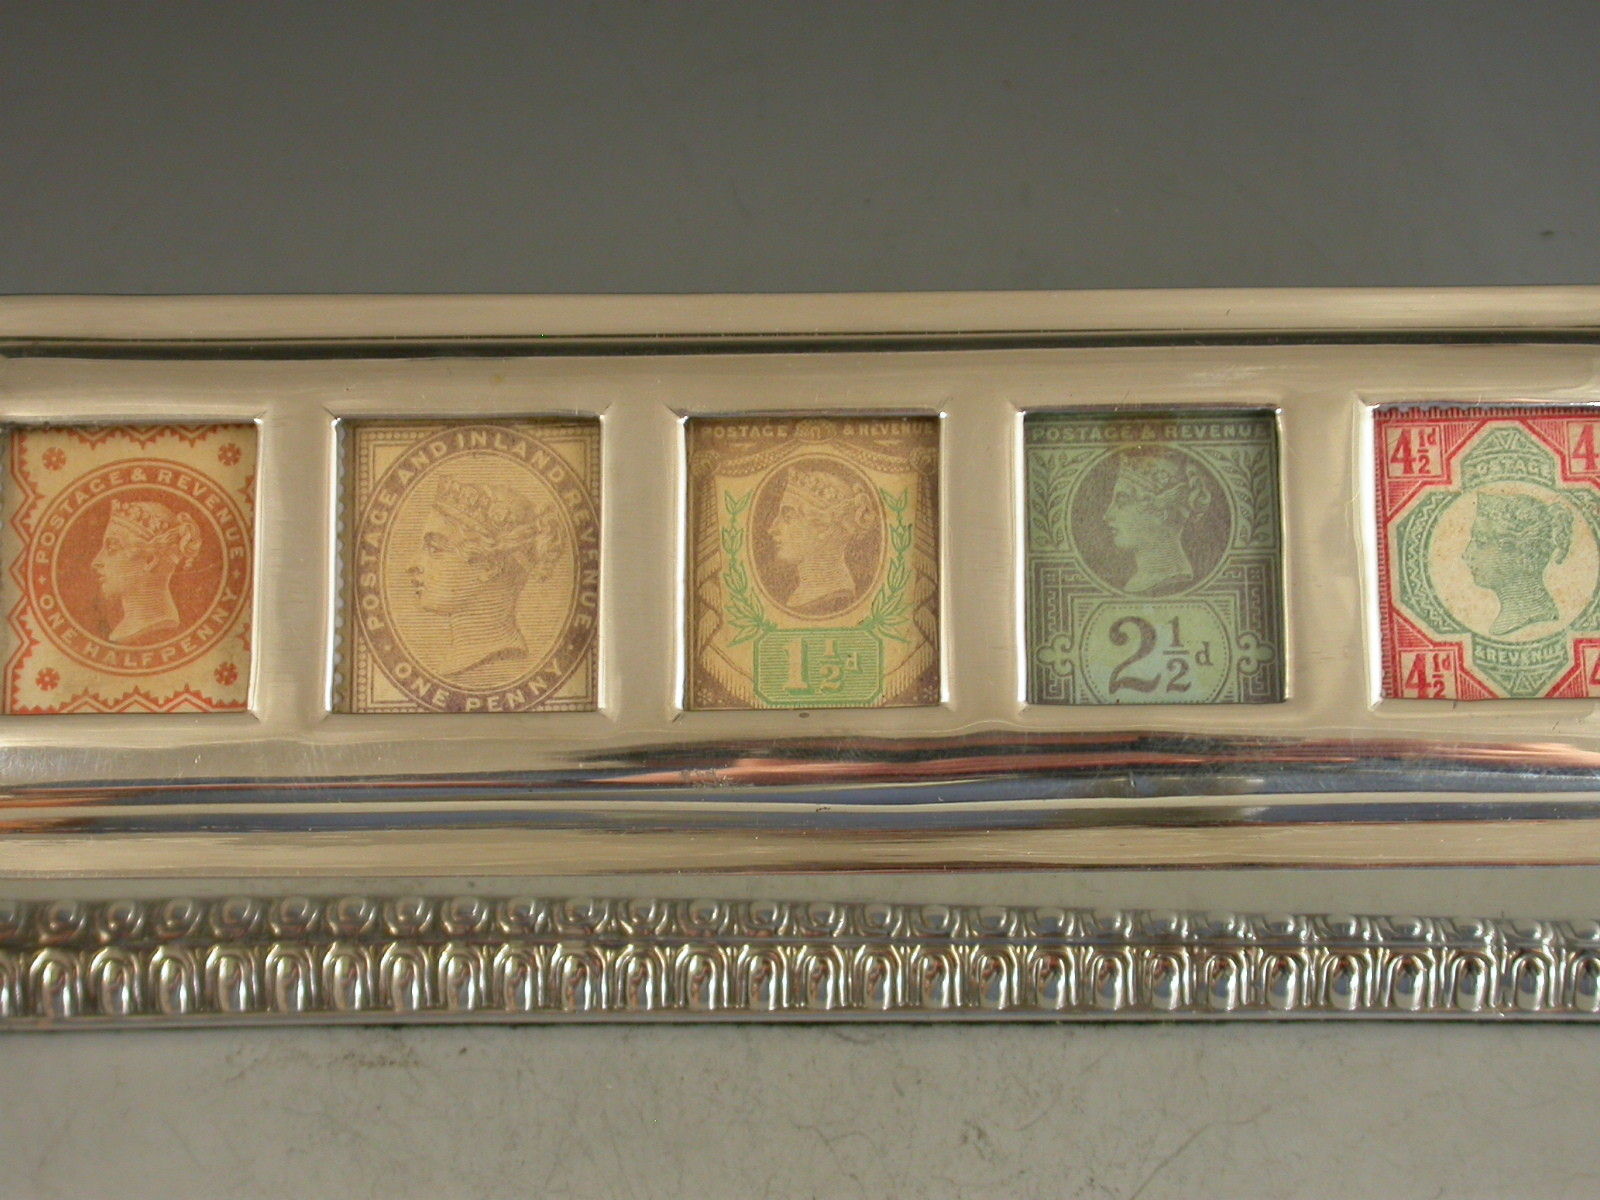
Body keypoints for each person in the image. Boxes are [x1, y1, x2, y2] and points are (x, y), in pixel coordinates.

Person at [407, 474, 560, 688]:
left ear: (489, 566)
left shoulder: (498, 670)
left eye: (435, 549)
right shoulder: (454, 665)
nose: (412, 565)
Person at [765, 465, 876, 616]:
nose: (772, 528)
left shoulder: (837, 598)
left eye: (789, 517)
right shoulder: (801, 596)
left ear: (824, 528)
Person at [1100, 447, 1213, 594]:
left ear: (1161, 513)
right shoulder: (1136, 582)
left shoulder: (1173, 579)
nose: (1107, 515)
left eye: (1122, 501)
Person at [90, 498, 202, 644]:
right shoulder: (122, 630)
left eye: (112, 548)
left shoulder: (157, 625)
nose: (95, 562)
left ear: (150, 560)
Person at [1462, 490, 1572, 636]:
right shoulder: (1509, 619)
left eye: (1481, 542)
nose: (1466, 554)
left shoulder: (1533, 614)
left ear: (1519, 551)